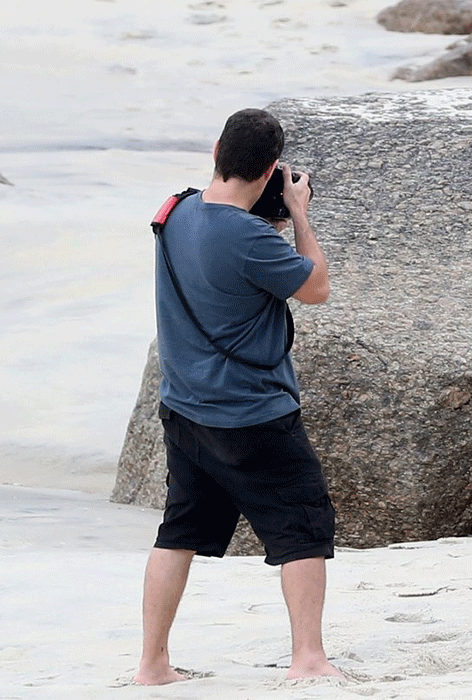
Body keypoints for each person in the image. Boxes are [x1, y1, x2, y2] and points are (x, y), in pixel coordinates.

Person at [134, 108, 342, 685]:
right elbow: (316, 287)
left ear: (217, 150)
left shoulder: (174, 213)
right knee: (302, 528)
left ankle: (152, 666)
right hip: (252, 414)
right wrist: (298, 213)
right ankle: (309, 659)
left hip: (184, 409)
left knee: (179, 531)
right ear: (273, 167)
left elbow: (225, 267)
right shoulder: (252, 238)